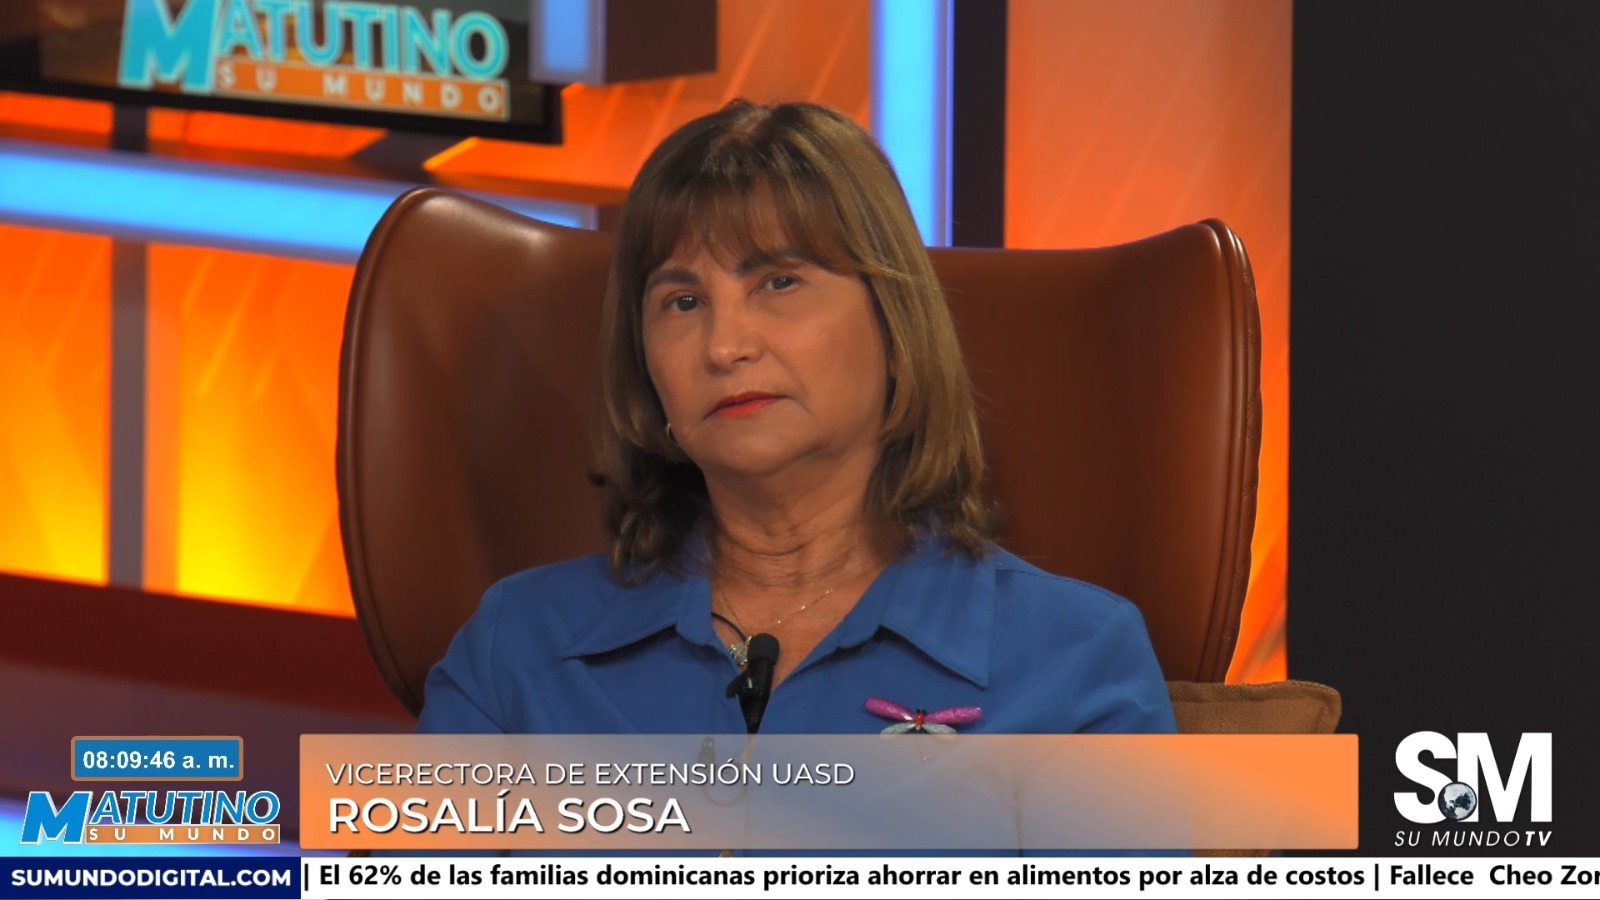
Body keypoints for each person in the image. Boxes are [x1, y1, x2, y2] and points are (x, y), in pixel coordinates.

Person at [417, 99, 1174, 743]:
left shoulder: (1076, 660)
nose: (724, 346)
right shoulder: (516, 650)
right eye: (683, 301)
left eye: (779, 282)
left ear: (895, 330)